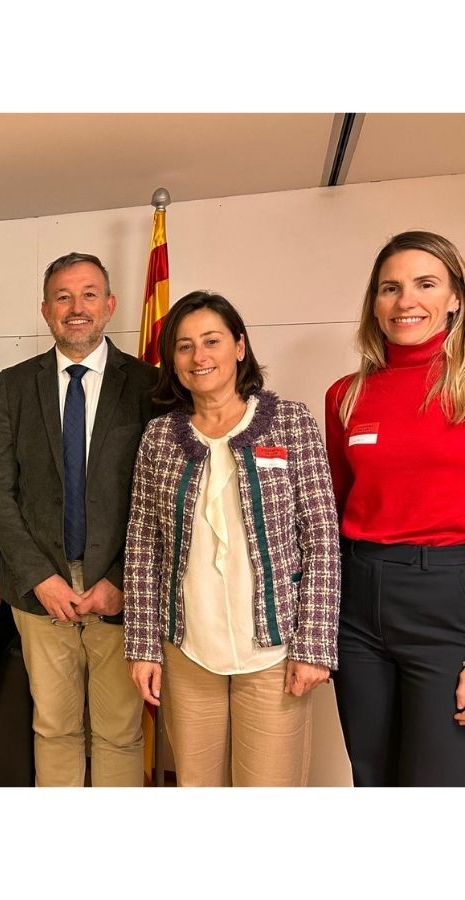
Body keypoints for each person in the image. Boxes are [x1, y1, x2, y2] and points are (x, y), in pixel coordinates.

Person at [124, 291, 340, 787]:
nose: (198, 356)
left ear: (239, 347)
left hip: (273, 651)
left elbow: (322, 539)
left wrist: (314, 645)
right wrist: (142, 646)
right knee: (196, 787)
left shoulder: (290, 422)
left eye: (212, 341)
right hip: (188, 651)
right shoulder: (159, 437)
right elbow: (142, 547)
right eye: (184, 346)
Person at [0, 251, 158, 787]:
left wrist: (121, 580)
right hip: (41, 593)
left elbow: (161, 497)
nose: (75, 307)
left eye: (88, 295)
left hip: (119, 591)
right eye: (62, 297)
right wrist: (40, 577)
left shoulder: (149, 386)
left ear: (110, 305)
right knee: (54, 728)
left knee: (119, 733)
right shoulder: (13, 386)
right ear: (45, 310)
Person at [325, 230, 465, 786]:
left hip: (448, 601)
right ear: (375, 302)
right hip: (358, 602)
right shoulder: (346, 394)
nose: (406, 301)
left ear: (455, 298)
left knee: (437, 781)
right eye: (391, 288)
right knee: (371, 775)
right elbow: (335, 506)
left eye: (425, 284)